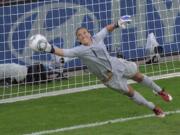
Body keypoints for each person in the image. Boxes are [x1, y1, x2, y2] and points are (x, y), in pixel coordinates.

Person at [29, 15, 172, 118]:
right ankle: (153, 108)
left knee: (139, 76)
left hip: (117, 64)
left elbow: (106, 29)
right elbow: (63, 52)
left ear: (89, 33)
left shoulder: (97, 38)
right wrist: (48, 48)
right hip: (109, 79)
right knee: (132, 93)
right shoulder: (79, 51)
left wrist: (117, 23)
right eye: (80, 35)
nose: (83, 35)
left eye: (84, 32)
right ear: (78, 39)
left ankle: (160, 91)